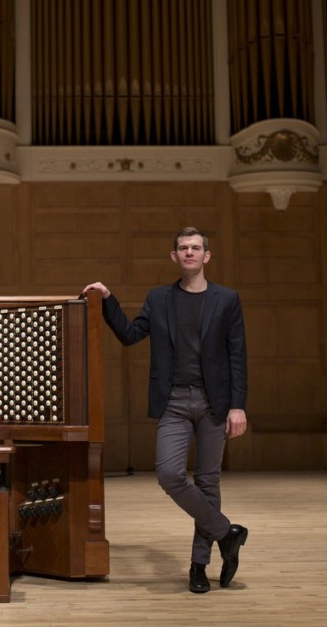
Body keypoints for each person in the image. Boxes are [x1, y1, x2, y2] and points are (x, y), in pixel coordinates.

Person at [82, 226, 249, 594]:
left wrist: (238, 405)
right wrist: (109, 298)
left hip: (214, 402)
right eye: (182, 248)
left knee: (208, 482)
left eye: (195, 247)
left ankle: (199, 566)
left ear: (207, 256)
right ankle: (227, 533)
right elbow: (129, 334)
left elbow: (238, 355)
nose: (189, 253)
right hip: (173, 400)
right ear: (174, 257)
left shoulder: (226, 299)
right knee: (170, 474)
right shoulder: (159, 299)